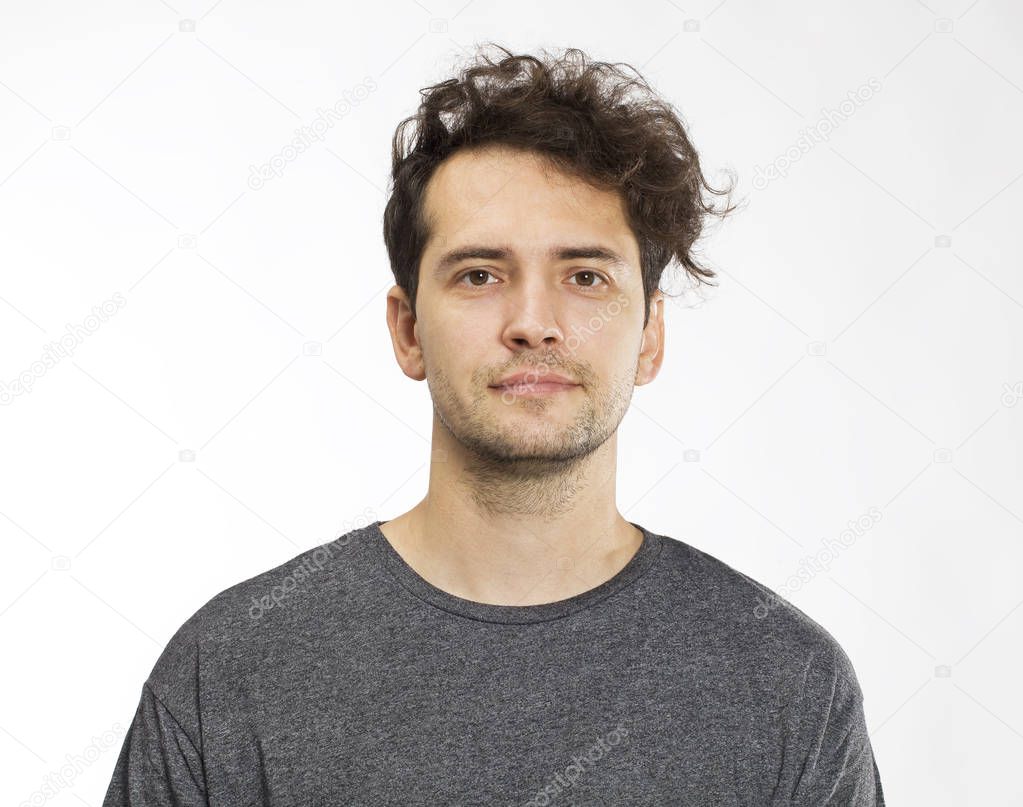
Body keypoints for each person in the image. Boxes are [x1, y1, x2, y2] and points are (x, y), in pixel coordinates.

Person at [102, 43, 885, 805]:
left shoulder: (785, 681)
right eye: (480, 274)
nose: (533, 322)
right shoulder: (232, 667)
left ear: (649, 335)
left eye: (584, 276)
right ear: (408, 330)